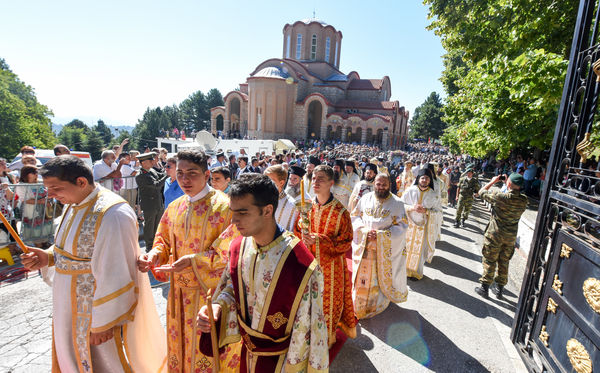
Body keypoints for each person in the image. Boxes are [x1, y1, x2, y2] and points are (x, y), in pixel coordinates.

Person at [20, 155, 166, 372]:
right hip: (68, 306)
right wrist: (47, 257)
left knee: (105, 363)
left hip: (94, 316)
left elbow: (117, 271)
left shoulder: (113, 213)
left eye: (55, 188)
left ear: (81, 182)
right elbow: (71, 249)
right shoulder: (74, 202)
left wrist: (105, 321)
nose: (49, 195)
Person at [197, 173, 329, 372]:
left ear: (267, 210)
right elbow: (234, 287)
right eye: (233, 212)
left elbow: (309, 330)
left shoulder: (302, 265)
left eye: (243, 212)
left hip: (282, 363)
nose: (234, 220)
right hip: (247, 357)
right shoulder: (238, 247)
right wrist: (218, 307)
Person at [137, 150, 238, 372]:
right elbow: (163, 239)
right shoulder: (175, 206)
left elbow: (230, 252)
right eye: (180, 173)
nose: (185, 179)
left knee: (206, 351)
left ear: (207, 174)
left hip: (209, 296)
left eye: (192, 173)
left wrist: (194, 260)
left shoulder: (226, 208)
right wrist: (155, 254)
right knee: (180, 348)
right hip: (178, 294)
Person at [294, 164, 357, 347]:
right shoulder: (305, 207)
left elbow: (346, 241)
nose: (316, 182)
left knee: (326, 302)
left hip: (330, 268)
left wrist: (319, 240)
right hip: (307, 264)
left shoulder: (341, 212)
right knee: (306, 302)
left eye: (321, 179)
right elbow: (298, 231)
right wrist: (302, 235)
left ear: (331, 183)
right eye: (313, 178)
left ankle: (326, 338)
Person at [351, 173, 408, 319]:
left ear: (389, 185)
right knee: (362, 277)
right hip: (364, 245)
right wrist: (363, 231)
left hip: (382, 251)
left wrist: (381, 236)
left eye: (384, 185)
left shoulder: (397, 203)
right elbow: (355, 216)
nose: (380, 187)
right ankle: (359, 303)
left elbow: (402, 226)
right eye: (378, 184)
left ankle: (376, 304)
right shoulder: (365, 198)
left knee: (377, 277)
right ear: (374, 184)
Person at [475, 173, 528, 299]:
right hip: (510, 237)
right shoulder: (524, 200)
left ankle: (485, 287)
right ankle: (499, 289)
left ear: (508, 183)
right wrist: (508, 184)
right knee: (504, 261)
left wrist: (493, 181)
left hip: (495, 234)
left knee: (490, 259)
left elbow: (481, 192)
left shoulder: (500, 197)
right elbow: (513, 195)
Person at [400, 169, 441, 280]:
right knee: (405, 248)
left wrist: (426, 211)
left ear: (430, 181)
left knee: (420, 250)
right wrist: (411, 207)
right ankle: (403, 270)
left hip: (423, 226)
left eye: (427, 178)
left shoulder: (434, 195)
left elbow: (438, 211)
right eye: (422, 178)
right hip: (408, 224)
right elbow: (400, 204)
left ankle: (416, 272)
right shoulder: (410, 190)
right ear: (418, 179)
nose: (424, 180)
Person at [135, 152, 168, 250]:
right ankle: (149, 246)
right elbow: (156, 185)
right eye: (150, 160)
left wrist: (167, 171)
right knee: (149, 226)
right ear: (143, 163)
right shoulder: (141, 175)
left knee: (158, 225)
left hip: (158, 203)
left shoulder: (151, 171)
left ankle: (156, 244)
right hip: (150, 205)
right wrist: (167, 175)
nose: (152, 162)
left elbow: (160, 174)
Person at [15, 166, 52, 243]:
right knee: (34, 229)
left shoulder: (40, 182)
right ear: (26, 174)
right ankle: (38, 244)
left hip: (44, 210)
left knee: (45, 227)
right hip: (32, 211)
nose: (36, 174)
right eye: (34, 172)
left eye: (36, 172)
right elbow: (25, 200)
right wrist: (41, 202)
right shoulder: (21, 185)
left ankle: (45, 242)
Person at [264, 164, 299, 231]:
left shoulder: (291, 205)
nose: (265, 183)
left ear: (281, 183)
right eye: (264, 179)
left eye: (270, 181)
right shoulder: (259, 199)